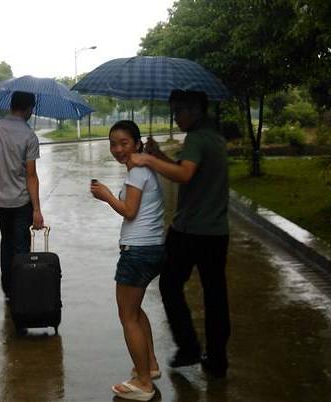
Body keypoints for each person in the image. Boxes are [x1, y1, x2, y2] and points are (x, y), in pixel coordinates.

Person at [130, 90, 230, 378]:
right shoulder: (213, 136)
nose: (176, 116)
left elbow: (184, 174)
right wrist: (159, 155)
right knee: (215, 296)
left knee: (170, 285)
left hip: (190, 230)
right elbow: (186, 171)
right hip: (216, 232)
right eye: (174, 110)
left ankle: (188, 347)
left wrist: (148, 161)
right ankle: (217, 361)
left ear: (197, 109)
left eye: (180, 110)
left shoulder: (197, 138)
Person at [90, 120, 164, 401]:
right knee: (136, 310)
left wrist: (107, 195)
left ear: (136, 143)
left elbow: (129, 211)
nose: (117, 149)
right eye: (113, 143)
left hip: (138, 252)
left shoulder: (137, 173)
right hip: (152, 248)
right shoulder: (144, 169)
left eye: (123, 143)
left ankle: (144, 383)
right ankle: (151, 366)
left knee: (127, 316)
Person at [0, 91, 44, 300]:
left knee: (6, 241)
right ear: (29, 109)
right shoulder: (29, 136)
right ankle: (21, 290)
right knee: (20, 246)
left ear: (11, 105)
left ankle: (8, 289)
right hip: (20, 201)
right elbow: (31, 176)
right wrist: (37, 210)